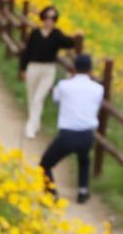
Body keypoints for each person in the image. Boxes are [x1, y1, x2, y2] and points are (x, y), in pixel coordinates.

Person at [37, 53, 103, 202]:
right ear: (91, 70)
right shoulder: (98, 88)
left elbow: (56, 100)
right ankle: (83, 192)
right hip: (87, 135)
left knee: (45, 163)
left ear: (74, 68)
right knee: (84, 160)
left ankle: (51, 193)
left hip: (67, 135)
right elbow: (97, 105)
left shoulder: (64, 85)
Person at [18, 5, 78, 139]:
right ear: (42, 17)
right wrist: (22, 68)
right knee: (31, 97)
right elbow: (27, 52)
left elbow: (69, 43)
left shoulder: (56, 34)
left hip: (48, 70)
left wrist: (77, 35)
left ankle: (30, 127)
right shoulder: (35, 33)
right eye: (47, 17)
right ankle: (35, 123)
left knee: (38, 98)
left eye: (53, 18)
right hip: (33, 67)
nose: (49, 20)